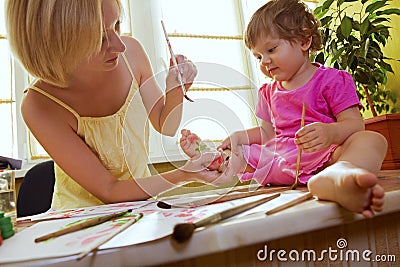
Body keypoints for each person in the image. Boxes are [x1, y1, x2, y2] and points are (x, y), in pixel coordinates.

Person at [180, 0, 388, 218]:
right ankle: (208, 155)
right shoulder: (267, 92)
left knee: (372, 139)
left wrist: (330, 133)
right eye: (258, 56)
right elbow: (267, 134)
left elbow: (355, 124)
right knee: (238, 153)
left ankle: (339, 177)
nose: (265, 61)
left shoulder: (332, 80)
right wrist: (237, 137)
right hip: (280, 160)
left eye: (271, 49)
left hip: (326, 158)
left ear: (304, 40)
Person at [6, 0, 220, 210]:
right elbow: (110, 190)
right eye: (99, 39)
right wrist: (184, 174)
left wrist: (175, 89)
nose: (120, 45)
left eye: (117, 24)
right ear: (54, 44)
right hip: (78, 221)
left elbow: (166, 126)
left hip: (140, 210)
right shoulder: (39, 105)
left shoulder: (132, 54)